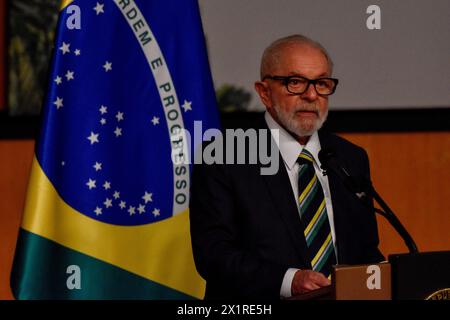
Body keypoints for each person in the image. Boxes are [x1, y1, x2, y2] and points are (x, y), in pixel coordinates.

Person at [189, 34, 384, 300]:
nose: (312, 94)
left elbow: (366, 252)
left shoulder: (350, 157)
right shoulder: (224, 156)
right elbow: (214, 255)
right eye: (295, 82)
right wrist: (290, 280)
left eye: (322, 83)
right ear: (264, 92)